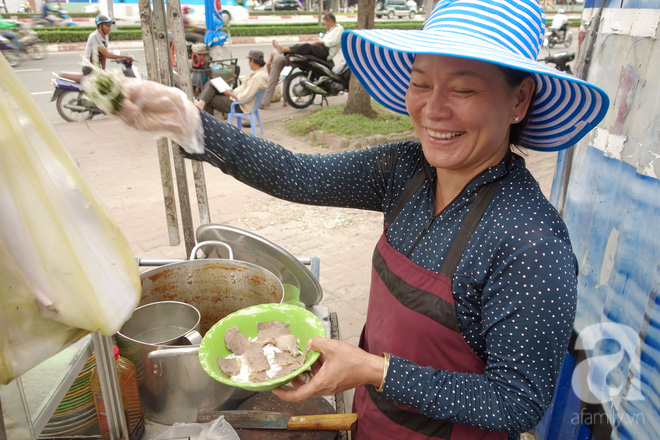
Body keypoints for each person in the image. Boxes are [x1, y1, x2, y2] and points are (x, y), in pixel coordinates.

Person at [111, 0, 609, 438]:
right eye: (421, 83)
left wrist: (375, 370)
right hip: (372, 420)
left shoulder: (530, 241)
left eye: (463, 91)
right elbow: (300, 175)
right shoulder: (406, 170)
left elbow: (517, 402)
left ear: (518, 100)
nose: (433, 110)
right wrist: (192, 124)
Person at [262, 12, 343, 109]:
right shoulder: (331, 30)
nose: (325, 27)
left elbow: (268, 64)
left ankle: (265, 103)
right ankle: (285, 100)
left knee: (307, 47)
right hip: (289, 62)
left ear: (330, 21)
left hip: (324, 52)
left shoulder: (339, 29)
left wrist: (320, 42)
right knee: (305, 49)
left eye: (325, 24)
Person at [195, 50, 269, 118]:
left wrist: (230, 94)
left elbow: (244, 97)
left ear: (252, 61)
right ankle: (200, 104)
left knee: (209, 99)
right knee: (212, 84)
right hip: (238, 99)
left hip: (239, 105)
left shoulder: (257, 77)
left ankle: (203, 112)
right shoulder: (261, 73)